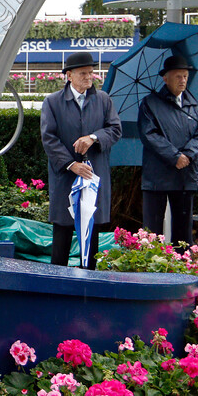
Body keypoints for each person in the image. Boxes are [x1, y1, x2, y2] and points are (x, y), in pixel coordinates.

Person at [40, 52, 121, 268]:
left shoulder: (103, 100)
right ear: (69, 76)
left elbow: (115, 129)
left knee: (91, 231)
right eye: (83, 73)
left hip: (93, 178)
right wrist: (71, 164)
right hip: (66, 178)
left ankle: (89, 282)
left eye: (91, 73)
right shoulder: (52, 102)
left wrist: (93, 138)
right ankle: (56, 284)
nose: (89, 77)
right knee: (62, 234)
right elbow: (49, 138)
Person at [138, 54, 198, 247]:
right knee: (152, 233)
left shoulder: (194, 105)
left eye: (185, 76)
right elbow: (149, 135)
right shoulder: (150, 103)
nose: (182, 80)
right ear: (165, 78)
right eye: (178, 76)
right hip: (157, 177)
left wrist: (187, 155)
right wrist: (175, 156)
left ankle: (182, 271)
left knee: (183, 234)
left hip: (185, 176)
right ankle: (151, 274)